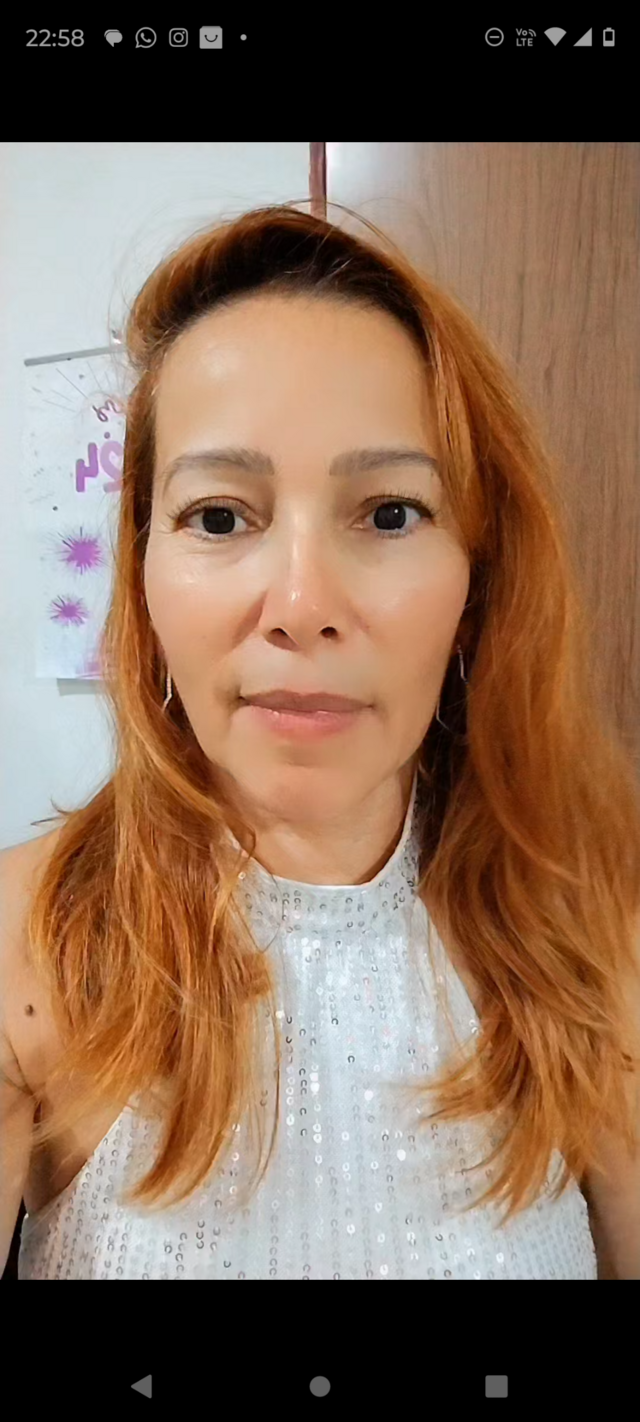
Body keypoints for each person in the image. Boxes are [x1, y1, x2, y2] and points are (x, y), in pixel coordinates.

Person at [4, 201, 640, 1280]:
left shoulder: (592, 929)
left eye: (389, 514)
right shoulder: (28, 946)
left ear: (479, 582)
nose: (302, 606)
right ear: (143, 574)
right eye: (219, 516)